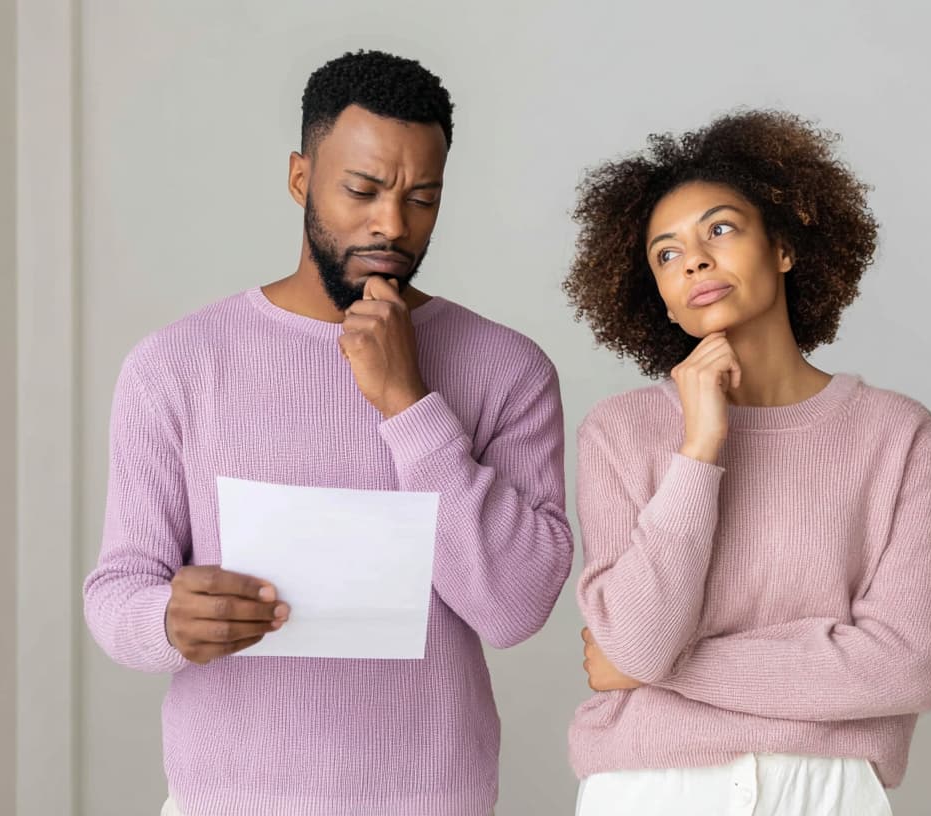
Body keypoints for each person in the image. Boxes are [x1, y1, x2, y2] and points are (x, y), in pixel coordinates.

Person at [83, 49, 573, 816]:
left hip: (433, 801)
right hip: (226, 800)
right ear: (300, 179)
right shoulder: (176, 365)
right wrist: (166, 621)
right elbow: (117, 589)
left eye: (423, 198)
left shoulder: (507, 369)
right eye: (363, 189)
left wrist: (409, 404)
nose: (392, 224)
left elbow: (514, 608)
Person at [563, 110, 931, 815]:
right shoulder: (619, 434)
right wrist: (699, 447)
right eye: (667, 254)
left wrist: (662, 666)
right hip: (650, 788)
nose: (696, 260)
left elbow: (905, 667)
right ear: (659, 296)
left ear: (783, 248)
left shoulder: (897, 435)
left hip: (827, 788)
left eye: (720, 229)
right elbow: (640, 638)